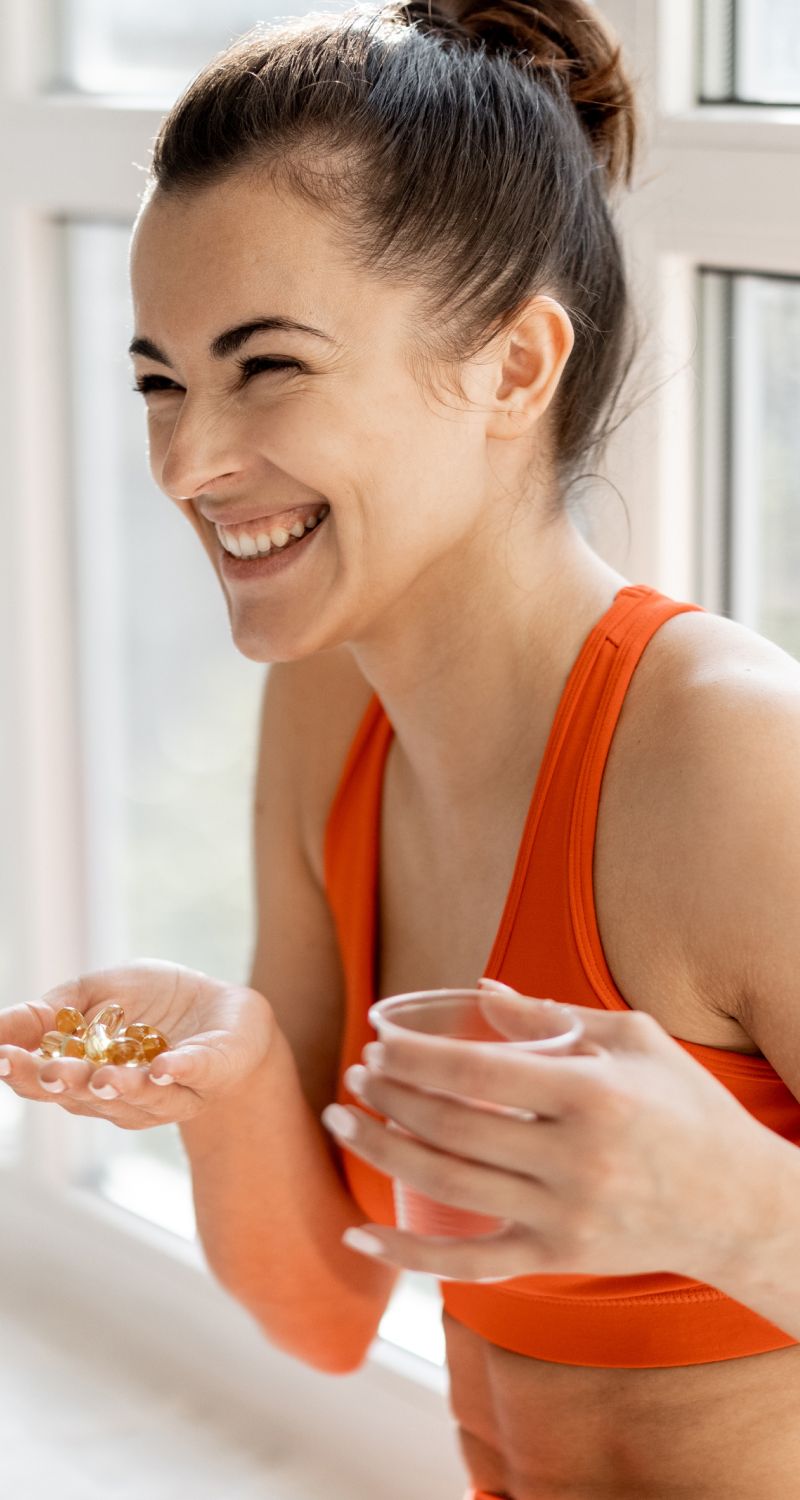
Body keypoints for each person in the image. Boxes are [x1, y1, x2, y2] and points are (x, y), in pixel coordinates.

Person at [2, 0, 800, 1494]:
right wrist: (234, 1085)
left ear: (513, 367)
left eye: (268, 367)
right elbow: (324, 1307)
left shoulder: (735, 763)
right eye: (161, 379)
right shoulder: (330, 705)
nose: (185, 461)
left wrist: (739, 1211)